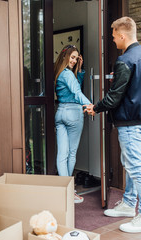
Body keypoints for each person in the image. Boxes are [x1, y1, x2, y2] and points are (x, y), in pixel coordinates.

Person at [84, 16, 141, 233]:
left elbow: (115, 96)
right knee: (132, 165)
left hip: (129, 122)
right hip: (140, 120)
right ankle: (127, 204)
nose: (114, 41)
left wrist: (95, 108)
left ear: (123, 35)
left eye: (114, 37)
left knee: (135, 168)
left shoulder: (125, 60)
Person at [54, 45, 91, 204]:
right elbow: (77, 92)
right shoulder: (68, 74)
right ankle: (70, 191)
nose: (74, 61)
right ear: (65, 56)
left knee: (62, 154)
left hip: (60, 112)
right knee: (71, 153)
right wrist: (90, 105)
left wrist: (80, 70)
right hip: (74, 113)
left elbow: (73, 87)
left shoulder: (60, 73)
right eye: (72, 57)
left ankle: (64, 190)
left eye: (76, 58)